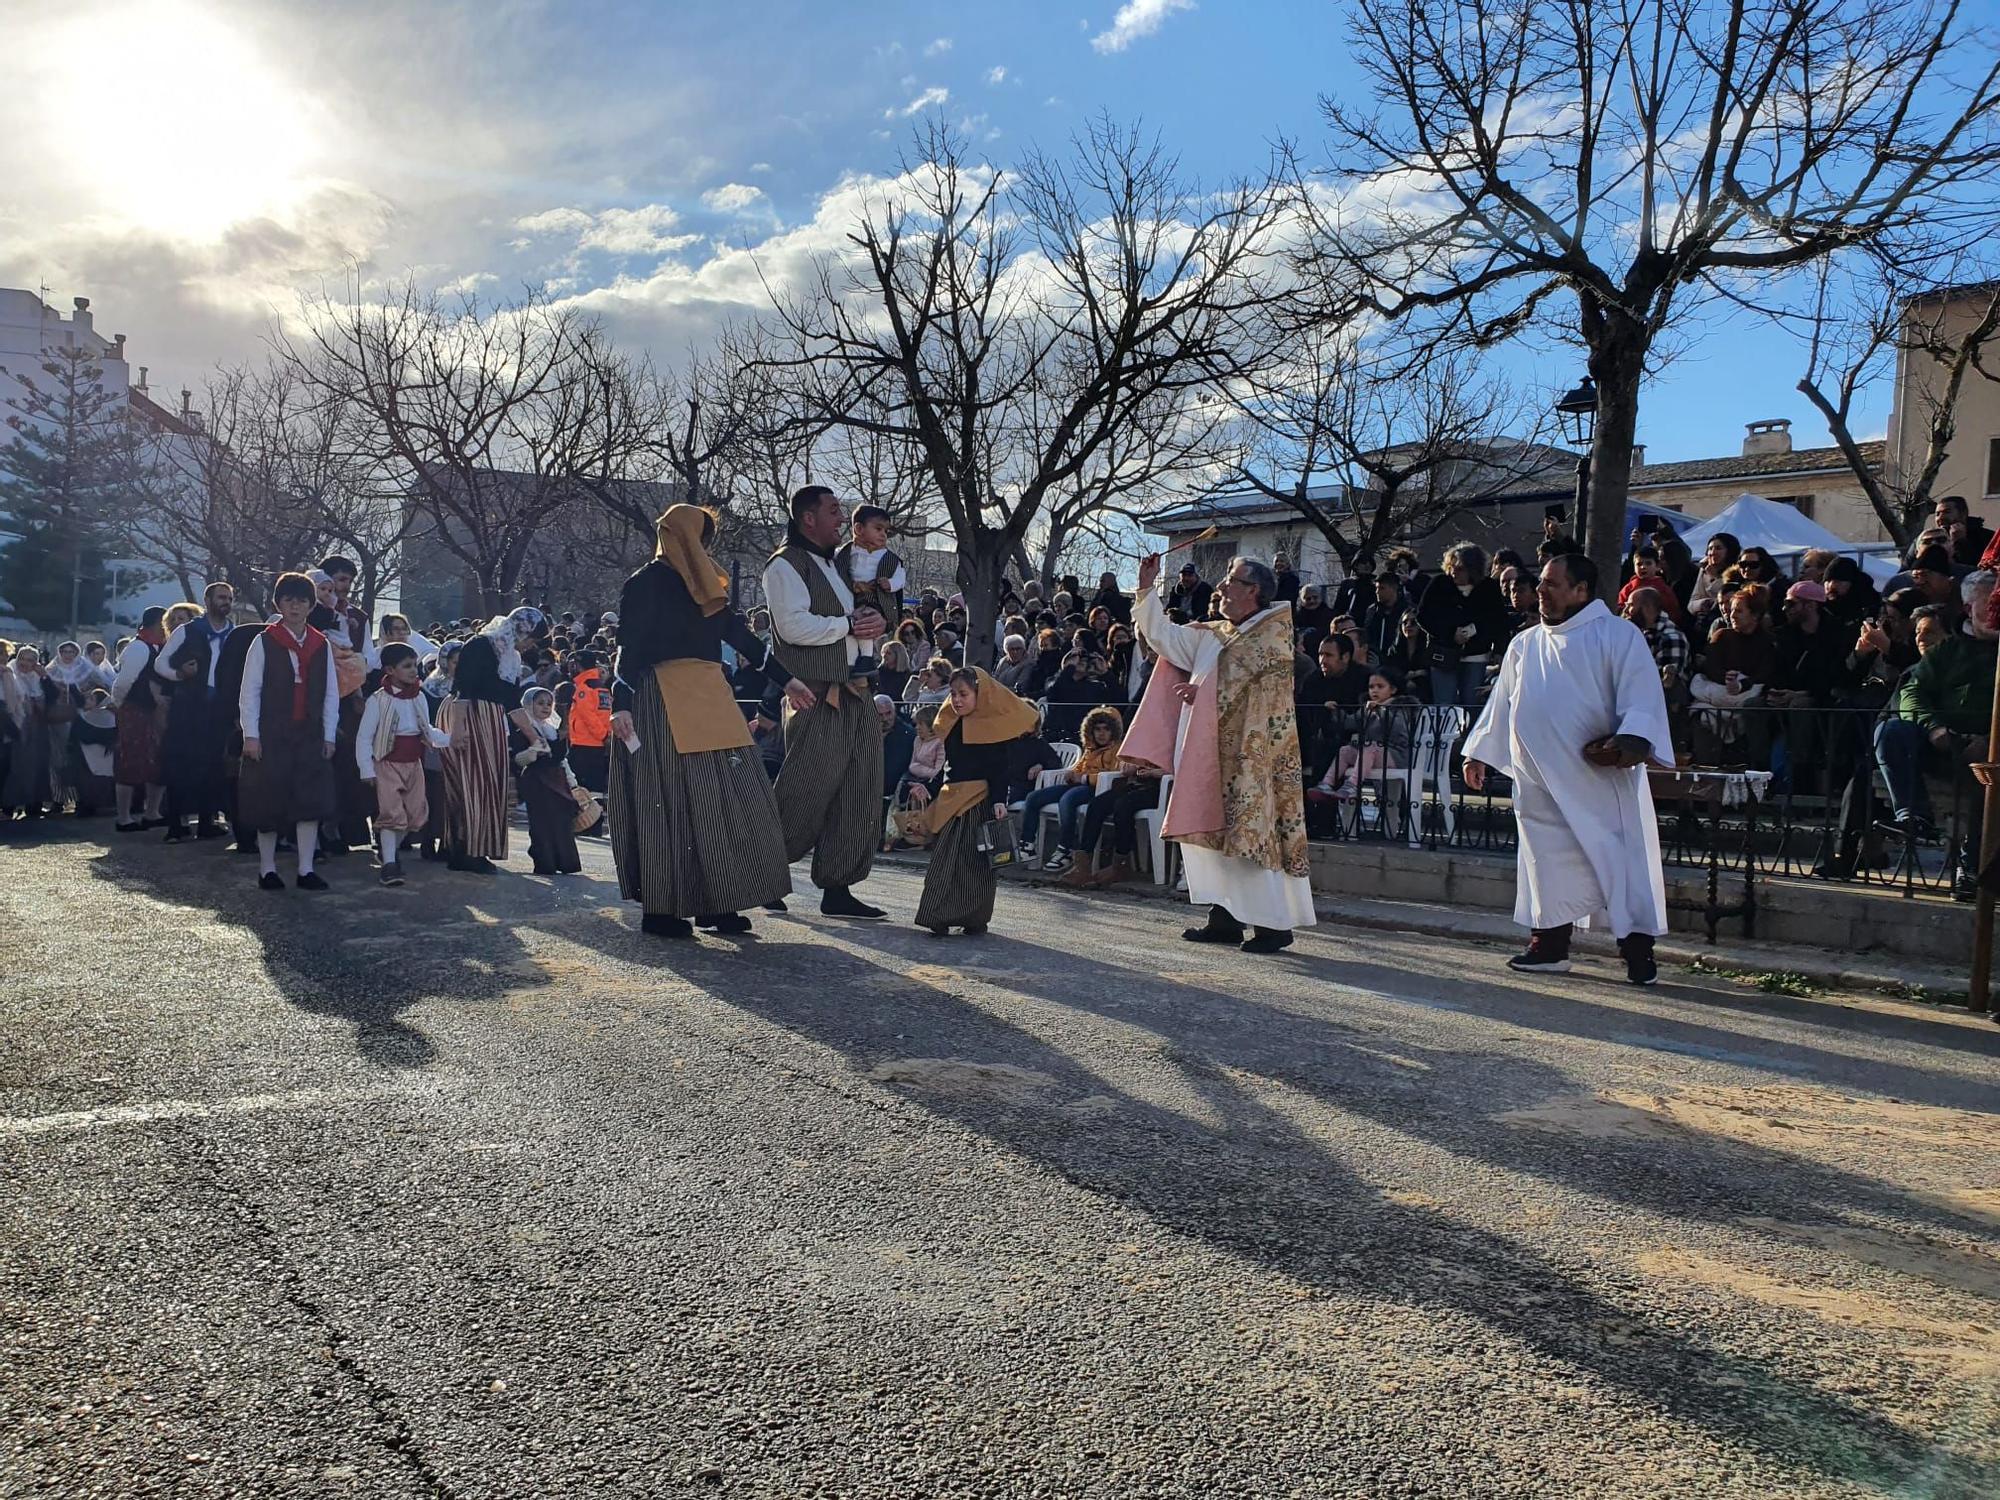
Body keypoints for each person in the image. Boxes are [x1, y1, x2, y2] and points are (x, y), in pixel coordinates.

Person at [1462, 554, 1674, 985]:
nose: (1541, 590)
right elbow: (1501, 703)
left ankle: (1637, 951)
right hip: (1536, 776)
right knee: (1546, 862)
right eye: (1540, 582)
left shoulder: (1617, 635)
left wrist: (1630, 740)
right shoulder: (1525, 643)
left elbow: (1641, 694)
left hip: (1596, 777)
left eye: (1552, 584)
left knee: (1618, 860)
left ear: (1581, 590)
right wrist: (1478, 752)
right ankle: (1550, 946)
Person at [610, 505, 797, 937]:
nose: (703, 546)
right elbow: (629, 646)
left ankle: (718, 900)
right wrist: (620, 703)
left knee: (729, 799)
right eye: (701, 536)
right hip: (663, 697)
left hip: (712, 697)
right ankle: (661, 909)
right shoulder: (645, 582)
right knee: (669, 803)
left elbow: (741, 637)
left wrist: (788, 682)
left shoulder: (705, 585)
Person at [1128, 552, 1315, 953]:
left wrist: (1208, 692)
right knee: (1212, 838)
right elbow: (1165, 636)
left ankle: (1273, 926)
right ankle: (1225, 918)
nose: (1222, 586)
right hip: (1208, 752)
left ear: (1255, 592)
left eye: (1232, 580)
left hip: (1254, 760)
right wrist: (1147, 588)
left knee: (1250, 837)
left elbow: (1261, 693)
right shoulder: (1215, 634)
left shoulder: (1271, 638)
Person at [762, 486, 892, 921]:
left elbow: (855, 620)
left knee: (860, 790)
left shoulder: (835, 565)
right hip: (816, 694)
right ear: (808, 519)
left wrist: (875, 620)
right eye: (834, 511)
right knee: (806, 787)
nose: (842, 519)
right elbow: (794, 626)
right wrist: (849, 623)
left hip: (856, 691)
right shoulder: (784, 564)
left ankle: (839, 885)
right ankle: (762, 871)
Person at [906, 668, 1040, 936]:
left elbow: (1000, 768)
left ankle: (974, 917)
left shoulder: (995, 726)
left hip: (979, 801)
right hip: (953, 799)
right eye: (954, 694)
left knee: (976, 863)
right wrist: (930, 787)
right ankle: (938, 915)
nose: (956, 700)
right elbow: (950, 767)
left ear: (981, 695)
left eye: (963, 694)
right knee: (946, 860)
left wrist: (1000, 801)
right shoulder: (954, 725)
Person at [238, 573, 340, 891]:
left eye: (302, 601)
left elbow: (330, 694)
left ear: (311, 606)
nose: (295, 607)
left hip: (309, 734)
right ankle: (267, 869)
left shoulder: (320, 644)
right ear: (278, 604)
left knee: (309, 802)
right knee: (267, 801)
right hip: (271, 733)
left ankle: (305, 869)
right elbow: (249, 691)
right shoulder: (265, 641)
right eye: (288, 600)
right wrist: (250, 735)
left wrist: (329, 735)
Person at [356, 642, 451, 886]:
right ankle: (388, 864)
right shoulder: (378, 701)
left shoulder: (418, 697)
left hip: (413, 763)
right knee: (392, 813)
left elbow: (424, 728)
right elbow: (365, 737)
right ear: (390, 669)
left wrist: (448, 739)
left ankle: (390, 851)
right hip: (387, 763)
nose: (413, 671)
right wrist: (367, 768)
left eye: (415, 665)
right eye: (406, 666)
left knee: (415, 814)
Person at [155, 581, 239, 843]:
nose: (226, 602)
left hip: (219, 708)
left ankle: (206, 823)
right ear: (208, 600)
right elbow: (160, 663)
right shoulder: (188, 630)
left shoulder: (235, 634)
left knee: (213, 766)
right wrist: (179, 673)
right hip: (189, 705)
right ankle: (175, 825)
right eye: (221, 597)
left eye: (229, 598)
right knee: (181, 763)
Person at [437, 635, 515, 874]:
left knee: (467, 788)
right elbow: (464, 693)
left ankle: (459, 847)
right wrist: (458, 730)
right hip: (475, 721)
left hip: (477, 720)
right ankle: (473, 851)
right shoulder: (477, 674)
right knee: (477, 788)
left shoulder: (494, 671)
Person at [1020, 705, 1124, 872]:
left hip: (1096, 789)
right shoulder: (1090, 748)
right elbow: (1079, 766)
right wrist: (1071, 773)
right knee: (1034, 797)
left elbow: (1114, 774)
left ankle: (1066, 848)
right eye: (1097, 729)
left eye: (1106, 729)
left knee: (1067, 799)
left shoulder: (1118, 749)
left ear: (1114, 731)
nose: (1101, 733)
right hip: (1077, 785)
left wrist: (1083, 778)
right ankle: (1027, 844)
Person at [1413, 541, 1510, 706]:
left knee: (1472, 703)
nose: (1453, 573)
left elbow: (1498, 621)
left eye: (1459, 569)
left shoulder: (1489, 588)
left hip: (1477, 655)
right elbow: (1423, 616)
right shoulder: (1439, 584)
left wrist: (1500, 650)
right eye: (1451, 567)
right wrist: (1450, 633)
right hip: (1444, 652)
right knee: (1444, 706)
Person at [510, 687, 584, 877]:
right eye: (540, 703)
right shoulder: (522, 730)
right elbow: (518, 759)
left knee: (562, 822)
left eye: (549, 704)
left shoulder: (553, 730)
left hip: (558, 781)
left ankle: (565, 862)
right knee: (541, 824)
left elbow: (561, 759)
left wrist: (571, 780)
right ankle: (545, 863)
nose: (545, 707)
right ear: (529, 704)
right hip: (536, 782)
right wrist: (532, 752)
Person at [108, 608, 170, 831]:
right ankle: (123, 817)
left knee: (157, 761)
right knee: (130, 759)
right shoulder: (139, 647)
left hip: (155, 712)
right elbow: (124, 681)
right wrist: (117, 703)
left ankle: (152, 812)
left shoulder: (159, 646)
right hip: (135, 709)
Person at [839, 504, 906, 681]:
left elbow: (900, 577)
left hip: (875, 598)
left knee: (867, 622)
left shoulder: (890, 558)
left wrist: (890, 584)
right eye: (878, 529)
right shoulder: (843, 554)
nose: (883, 534)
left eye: (886, 530)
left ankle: (867, 657)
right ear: (859, 529)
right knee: (854, 620)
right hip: (849, 598)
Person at [564, 652, 614, 796]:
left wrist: (603, 735)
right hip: (598, 745)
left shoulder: (584, 688)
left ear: (578, 665)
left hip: (584, 744)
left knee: (580, 787)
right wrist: (606, 736)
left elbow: (588, 716)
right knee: (595, 785)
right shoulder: (601, 687)